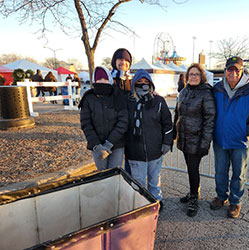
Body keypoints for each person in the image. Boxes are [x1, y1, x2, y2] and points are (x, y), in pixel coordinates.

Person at [211, 56, 249, 219]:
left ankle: (235, 202)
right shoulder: (217, 88)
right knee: (220, 171)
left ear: (242, 71)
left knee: (239, 174)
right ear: (225, 71)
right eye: (230, 69)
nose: (233, 72)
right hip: (220, 139)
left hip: (241, 141)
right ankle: (221, 197)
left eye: (237, 69)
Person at [125, 69, 173, 211]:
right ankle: (140, 205)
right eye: (139, 82)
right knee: (138, 182)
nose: (143, 84)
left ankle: (156, 202)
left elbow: (167, 123)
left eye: (146, 82)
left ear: (151, 84)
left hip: (155, 150)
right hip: (135, 151)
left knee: (154, 181)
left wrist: (167, 142)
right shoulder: (128, 102)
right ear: (134, 84)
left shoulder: (158, 101)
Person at [173, 63, 216, 217]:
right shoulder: (184, 92)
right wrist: (174, 133)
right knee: (190, 168)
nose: (193, 77)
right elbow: (177, 114)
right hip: (184, 137)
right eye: (191, 74)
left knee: (193, 169)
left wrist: (205, 143)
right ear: (187, 76)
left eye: (197, 74)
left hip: (197, 139)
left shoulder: (206, 93)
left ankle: (194, 198)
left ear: (202, 76)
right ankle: (193, 191)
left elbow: (209, 119)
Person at [79, 66, 128, 171]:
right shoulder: (88, 98)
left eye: (105, 79)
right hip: (97, 146)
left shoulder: (117, 96)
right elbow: (86, 124)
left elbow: (123, 121)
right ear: (94, 80)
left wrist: (109, 143)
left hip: (116, 144)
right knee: (102, 174)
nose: (102, 82)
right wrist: (97, 145)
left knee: (114, 173)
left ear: (109, 79)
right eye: (99, 79)